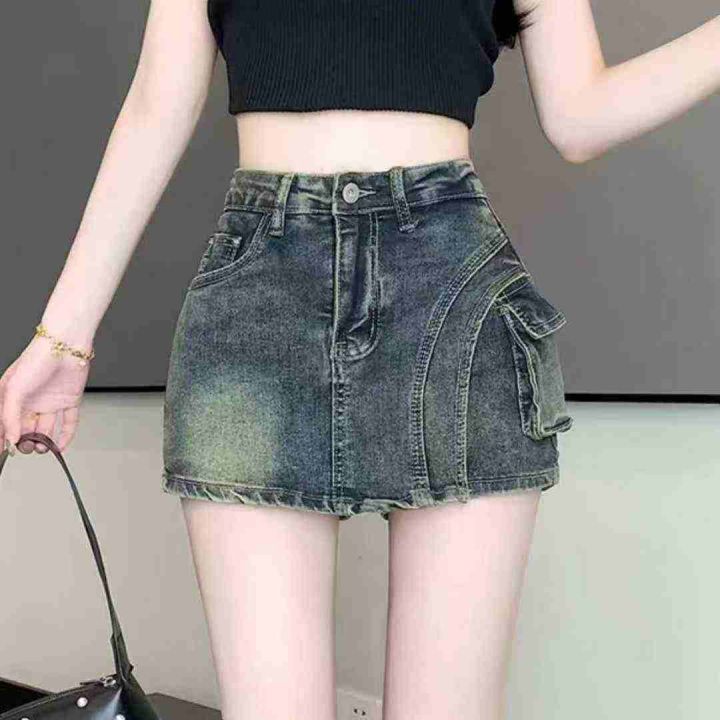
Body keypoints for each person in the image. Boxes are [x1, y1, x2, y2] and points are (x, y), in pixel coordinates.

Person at [1, 1, 718, 718]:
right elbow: (155, 106)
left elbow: (581, 115)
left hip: (452, 295)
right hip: (259, 299)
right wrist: (62, 339)